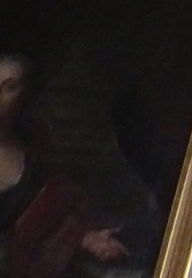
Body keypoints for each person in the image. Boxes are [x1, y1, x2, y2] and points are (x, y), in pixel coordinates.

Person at [0, 51, 151, 278]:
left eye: (10, 87)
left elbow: (52, 216)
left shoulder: (36, 154)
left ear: (27, 96)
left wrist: (84, 237)